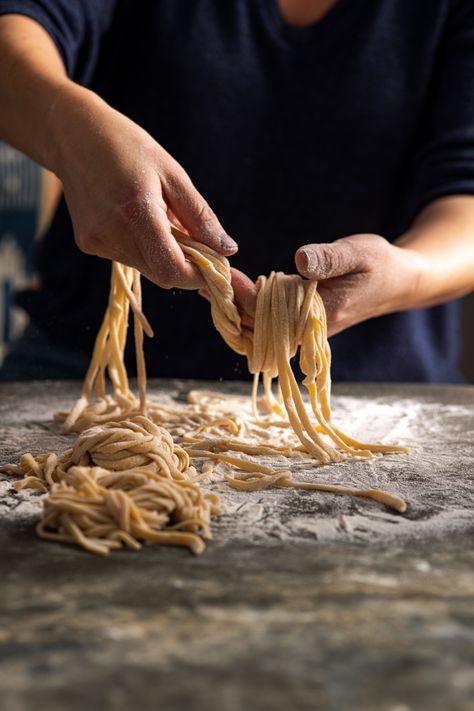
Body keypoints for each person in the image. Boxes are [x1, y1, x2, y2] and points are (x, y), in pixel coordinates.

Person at [0, 0, 473, 383]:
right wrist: (71, 130)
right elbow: (17, 31)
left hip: (382, 388)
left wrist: (407, 272)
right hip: (92, 369)